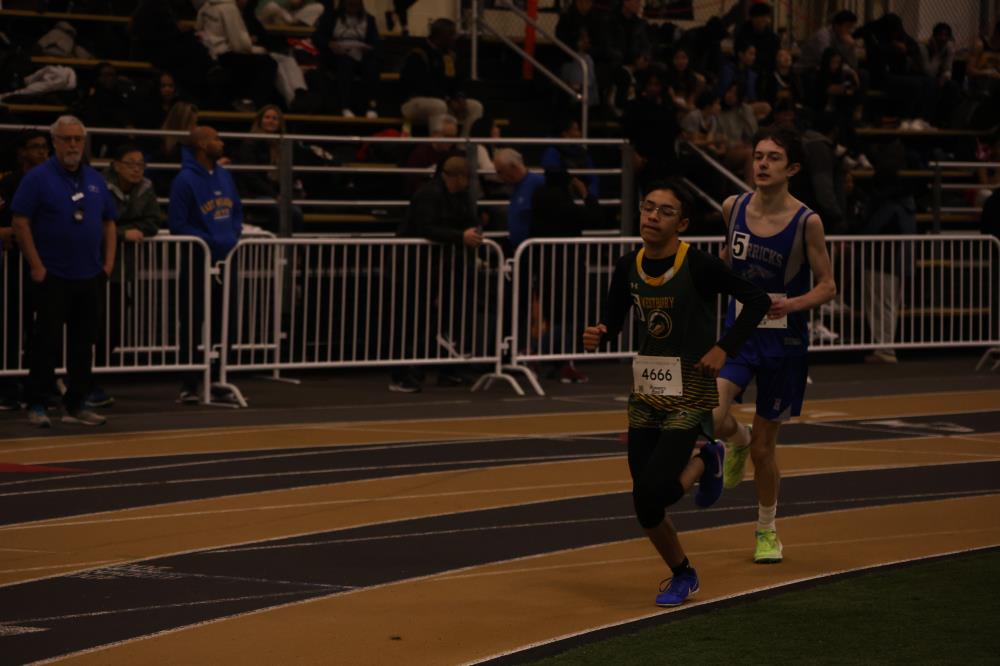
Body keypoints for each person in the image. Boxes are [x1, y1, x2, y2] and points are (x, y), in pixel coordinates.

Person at [582, 179, 770, 606]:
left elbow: (757, 300)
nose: (653, 216)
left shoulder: (699, 265)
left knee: (657, 491)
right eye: (648, 207)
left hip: (690, 390)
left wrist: (724, 347)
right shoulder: (628, 266)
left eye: (665, 211)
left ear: (682, 223)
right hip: (646, 392)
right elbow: (613, 320)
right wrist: (601, 332)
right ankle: (683, 573)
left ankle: (706, 458)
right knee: (644, 503)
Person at [712, 126, 837, 563]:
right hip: (739, 336)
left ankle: (766, 530)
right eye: (758, 156)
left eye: (773, 158)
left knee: (766, 451)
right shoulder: (732, 207)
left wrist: (792, 304)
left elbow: (827, 285)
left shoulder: (807, 222)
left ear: (793, 168)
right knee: (710, 416)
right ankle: (737, 438)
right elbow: (727, 261)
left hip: (783, 344)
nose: (762, 164)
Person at [10, 116, 117, 427]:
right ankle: (37, 403)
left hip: (90, 274)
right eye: (66, 139)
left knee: (84, 344)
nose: (72, 145)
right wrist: (36, 265)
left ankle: (76, 404)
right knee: (45, 342)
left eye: (77, 139)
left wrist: (108, 264)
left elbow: (110, 222)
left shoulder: (95, 179)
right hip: (53, 274)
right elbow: (20, 222)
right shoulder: (38, 178)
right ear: (54, 142)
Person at [390, 154, 483, 393]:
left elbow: (470, 221)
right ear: (459, 177)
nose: (468, 183)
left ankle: (445, 369)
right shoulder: (428, 194)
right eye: (467, 178)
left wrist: (472, 232)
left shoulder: (460, 196)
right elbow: (426, 228)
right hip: (414, 265)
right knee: (411, 320)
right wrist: (460, 236)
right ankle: (401, 374)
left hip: (441, 266)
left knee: (441, 320)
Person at [168, 126, 243, 402]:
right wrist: (210, 241)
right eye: (215, 138)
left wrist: (232, 236)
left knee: (226, 322)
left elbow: (236, 211)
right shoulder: (184, 180)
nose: (220, 142)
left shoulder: (225, 175)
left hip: (226, 260)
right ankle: (189, 383)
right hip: (198, 259)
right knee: (192, 321)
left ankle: (219, 379)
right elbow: (177, 224)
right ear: (201, 144)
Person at [0, 131, 50, 410]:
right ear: (21, 152)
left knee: (42, 329)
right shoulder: (9, 182)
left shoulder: (53, 181)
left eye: (45, 147)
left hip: (46, 263)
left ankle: (39, 386)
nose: (42, 152)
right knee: (10, 326)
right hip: (13, 266)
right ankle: (7, 387)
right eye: (35, 147)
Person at [399, 18, 484, 135]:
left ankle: (465, 145)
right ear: (440, 36)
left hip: (445, 101)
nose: (454, 38)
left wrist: (460, 97)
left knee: (475, 107)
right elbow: (422, 86)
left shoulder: (449, 55)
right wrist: (448, 100)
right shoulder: (418, 53)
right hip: (414, 102)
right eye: (451, 35)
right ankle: (438, 145)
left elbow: (456, 81)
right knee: (438, 106)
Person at [236, 105, 305, 233]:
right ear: (260, 120)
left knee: (296, 210)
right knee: (288, 211)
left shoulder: (285, 144)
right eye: (267, 117)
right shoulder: (250, 143)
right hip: (254, 194)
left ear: (280, 123)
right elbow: (251, 178)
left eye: (275, 118)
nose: (271, 121)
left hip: (277, 193)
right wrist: (274, 195)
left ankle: (292, 244)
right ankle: (278, 243)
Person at [314, 0, 381, 118]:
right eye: (350, 3)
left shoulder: (369, 19)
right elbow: (317, 37)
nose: (353, 5)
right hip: (337, 55)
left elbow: (375, 42)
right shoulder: (331, 17)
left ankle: (371, 106)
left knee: (372, 65)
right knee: (345, 63)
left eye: (355, 4)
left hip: (361, 55)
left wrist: (368, 48)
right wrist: (329, 44)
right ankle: (345, 106)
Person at [493, 148, 545, 252]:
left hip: (535, 250)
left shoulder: (539, 184)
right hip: (520, 250)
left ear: (513, 167)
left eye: (500, 172)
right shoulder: (515, 187)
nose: (499, 177)